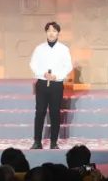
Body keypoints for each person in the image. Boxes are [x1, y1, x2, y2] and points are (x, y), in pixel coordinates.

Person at [29, 21, 72, 149]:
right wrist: (42, 73)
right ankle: (37, 142)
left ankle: (53, 142)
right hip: (42, 83)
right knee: (40, 112)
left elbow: (68, 66)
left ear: (58, 33)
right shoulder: (39, 48)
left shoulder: (63, 49)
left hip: (56, 85)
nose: (51, 33)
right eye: (49, 31)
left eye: (54, 31)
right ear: (46, 32)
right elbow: (33, 64)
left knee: (54, 113)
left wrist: (56, 76)